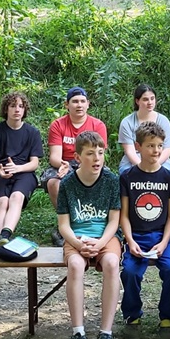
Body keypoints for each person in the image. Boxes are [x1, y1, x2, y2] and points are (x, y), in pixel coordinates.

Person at [55, 130, 122, 339]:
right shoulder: (67, 183)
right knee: (74, 265)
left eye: (101, 153)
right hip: (77, 238)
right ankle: (78, 333)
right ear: (77, 157)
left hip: (104, 238)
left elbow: (114, 220)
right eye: (90, 154)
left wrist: (100, 244)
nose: (97, 159)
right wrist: (78, 245)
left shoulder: (112, 180)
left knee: (112, 263)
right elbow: (63, 225)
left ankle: (106, 333)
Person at [119, 123, 170, 339]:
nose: (156, 151)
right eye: (150, 146)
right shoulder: (127, 177)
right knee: (130, 272)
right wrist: (130, 240)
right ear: (138, 147)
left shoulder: (169, 177)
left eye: (160, 146)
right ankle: (132, 317)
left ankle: (168, 319)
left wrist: (164, 243)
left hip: (161, 237)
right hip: (136, 236)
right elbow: (124, 215)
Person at [43, 87, 109, 245]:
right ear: (67, 104)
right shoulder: (58, 125)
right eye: (74, 101)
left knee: (107, 180)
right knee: (53, 182)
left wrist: (83, 167)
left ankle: (94, 224)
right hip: (65, 163)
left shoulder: (97, 125)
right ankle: (66, 224)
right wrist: (63, 165)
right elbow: (54, 157)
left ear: (88, 104)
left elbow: (100, 155)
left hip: (90, 162)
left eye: (82, 101)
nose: (79, 105)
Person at [0, 91, 42, 242]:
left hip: (24, 172)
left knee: (16, 197)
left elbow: (34, 163)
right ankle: (1, 240)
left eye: (21, 106)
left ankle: (5, 234)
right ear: (6, 109)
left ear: (24, 110)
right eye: (13, 106)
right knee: (3, 202)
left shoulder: (33, 132)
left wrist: (18, 168)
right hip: (1, 172)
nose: (17, 109)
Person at [118, 84, 170, 173]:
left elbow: (167, 149)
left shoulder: (163, 121)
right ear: (137, 101)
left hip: (159, 160)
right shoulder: (127, 122)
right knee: (126, 173)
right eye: (145, 99)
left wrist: (155, 167)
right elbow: (129, 151)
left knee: (167, 173)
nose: (150, 102)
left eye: (152, 98)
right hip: (133, 161)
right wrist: (142, 168)